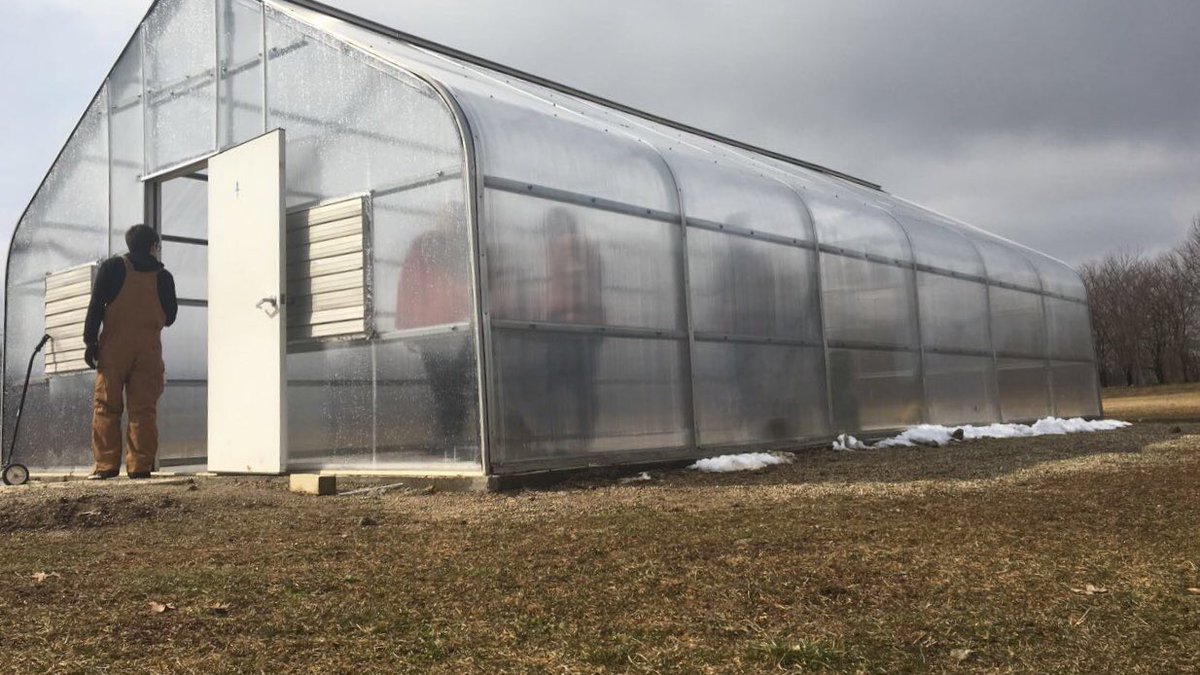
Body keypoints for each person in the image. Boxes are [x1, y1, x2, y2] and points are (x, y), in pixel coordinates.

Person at [82, 224, 178, 479]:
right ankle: (140, 467)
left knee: (106, 406)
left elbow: (95, 306)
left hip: (114, 348)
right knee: (143, 409)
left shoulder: (112, 268)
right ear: (153, 246)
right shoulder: (164, 277)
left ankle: (105, 467)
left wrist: (90, 341)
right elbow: (170, 318)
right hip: (148, 350)